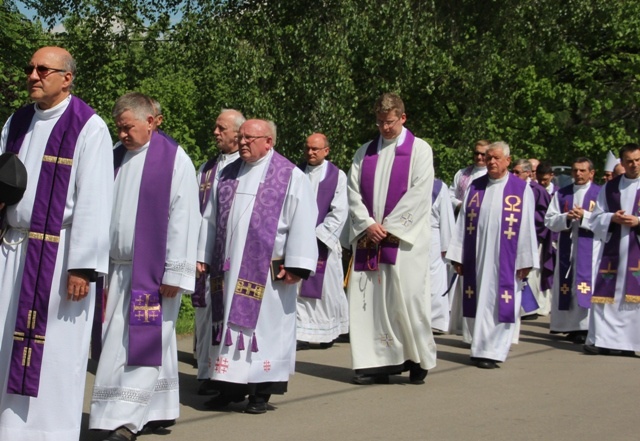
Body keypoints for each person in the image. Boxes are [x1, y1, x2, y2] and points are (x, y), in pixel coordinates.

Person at [0, 46, 113, 441]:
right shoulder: (16, 122)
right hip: (12, 249)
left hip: (57, 257)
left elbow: (96, 199)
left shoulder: (88, 126)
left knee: (55, 354)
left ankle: (50, 432)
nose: (32, 75)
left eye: (42, 69)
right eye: (30, 68)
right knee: (4, 341)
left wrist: (82, 266)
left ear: (66, 78)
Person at [89, 92, 200, 440]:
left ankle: (122, 422)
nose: (121, 134)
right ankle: (157, 409)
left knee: (140, 345)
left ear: (150, 121)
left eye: (128, 127)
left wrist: (175, 271)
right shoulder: (114, 158)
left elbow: (184, 216)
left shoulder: (173, 159)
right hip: (116, 269)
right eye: (118, 127)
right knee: (133, 343)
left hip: (152, 274)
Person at [196, 119, 318, 414]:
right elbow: (209, 220)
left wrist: (297, 266)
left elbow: (303, 222)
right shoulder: (227, 174)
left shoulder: (289, 176)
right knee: (225, 329)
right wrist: (202, 254)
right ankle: (228, 389)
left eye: (250, 138)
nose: (243, 143)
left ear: (269, 141)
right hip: (226, 269)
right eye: (241, 137)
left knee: (265, 334)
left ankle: (260, 394)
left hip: (266, 272)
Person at [347, 92, 436, 385]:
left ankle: (417, 359)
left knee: (408, 300)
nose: (385, 128)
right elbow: (352, 192)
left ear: (403, 118)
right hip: (370, 238)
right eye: (380, 122)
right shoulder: (365, 152)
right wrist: (368, 224)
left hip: (405, 242)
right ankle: (377, 363)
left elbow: (420, 194)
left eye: (390, 122)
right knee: (370, 302)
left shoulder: (420, 150)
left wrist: (390, 228)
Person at [447, 141, 538, 369]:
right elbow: (462, 223)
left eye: (497, 158)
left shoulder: (520, 188)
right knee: (479, 301)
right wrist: (458, 255)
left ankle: (493, 351)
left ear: (508, 160)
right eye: (489, 158)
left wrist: (526, 259)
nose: (492, 162)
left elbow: (527, 225)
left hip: (506, 260)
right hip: (476, 257)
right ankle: (478, 349)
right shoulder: (475, 187)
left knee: (499, 302)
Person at [193, 109, 244, 395]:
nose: (215, 132)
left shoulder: (245, 167)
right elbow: (198, 214)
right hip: (206, 253)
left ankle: (224, 373)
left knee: (226, 314)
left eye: (221, 128)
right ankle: (204, 369)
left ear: (238, 133)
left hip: (229, 255)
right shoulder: (206, 168)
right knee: (204, 314)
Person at [296, 133, 349, 349]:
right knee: (298, 290)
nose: (310, 152)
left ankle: (327, 334)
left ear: (326, 150)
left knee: (327, 291)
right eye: (308, 148)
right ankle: (299, 332)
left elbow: (340, 210)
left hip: (322, 244)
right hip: (298, 243)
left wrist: (317, 235)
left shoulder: (337, 176)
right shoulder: (295, 172)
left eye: (315, 149)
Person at [586, 143, 640, 356]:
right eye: (629, 161)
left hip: (636, 248)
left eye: (637, 160)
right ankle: (606, 341)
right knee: (610, 295)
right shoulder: (610, 187)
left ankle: (633, 343)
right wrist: (612, 218)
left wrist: (638, 220)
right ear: (622, 162)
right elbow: (596, 218)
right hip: (614, 250)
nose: (634, 164)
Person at [545, 158, 600, 344]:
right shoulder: (562, 194)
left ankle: (584, 327)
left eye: (583, 170)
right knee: (567, 285)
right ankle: (568, 326)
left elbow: (606, 221)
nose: (578, 174)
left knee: (584, 284)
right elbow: (549, 220)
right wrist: (566, 217)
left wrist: (585, 216)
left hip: (590, 248)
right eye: (575, 170)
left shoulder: (600, 193)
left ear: (591, 173)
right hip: (566, 247)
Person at [513, 159, 553, 319]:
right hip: (512, 236)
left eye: (517, 172)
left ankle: (529, 309)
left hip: (532, 238)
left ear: (528, 173)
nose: (513, 175)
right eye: (513, 171)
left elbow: (544, 215)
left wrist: (525, 218)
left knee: (530, 273)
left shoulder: (537, 190)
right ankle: (518, 306)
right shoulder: (512, 188)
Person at [430, 178, 455, 334]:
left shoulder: (438, 187)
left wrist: (447, 245)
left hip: (432, 238)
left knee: (434, 280)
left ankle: (436, 320)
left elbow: (446, 216)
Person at [449, 139, 490, 214]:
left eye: (483, 154)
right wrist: (459, 205)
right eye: (476, 153)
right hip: (460, 216)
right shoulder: (462, 173)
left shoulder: (492, 175)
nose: (479, 157)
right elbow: (450, 195)